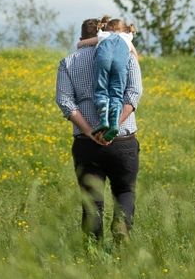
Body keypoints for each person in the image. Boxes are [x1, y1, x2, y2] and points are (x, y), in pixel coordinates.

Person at [57, 16, 142, 238]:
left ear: (82, 38)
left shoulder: (69, 62)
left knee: (91, 201)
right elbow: (133, 95)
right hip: (122, 141)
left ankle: (93, 253)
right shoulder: (127, 56)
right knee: (124, 191)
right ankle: (121, 234)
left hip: (87, 143)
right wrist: (114, 124)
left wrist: (90, 132)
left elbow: (65, 101)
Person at [90, 16, 139, 140]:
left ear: (108, 28)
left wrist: (79, 43)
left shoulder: (103, 34)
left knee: (101, 89)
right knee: (117, 93)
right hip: (120, 62)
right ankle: (114, 125)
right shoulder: (128, 37)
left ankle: (103, 121)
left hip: (103, 59)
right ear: (125, 30)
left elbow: (86, 42)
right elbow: (134, 53)